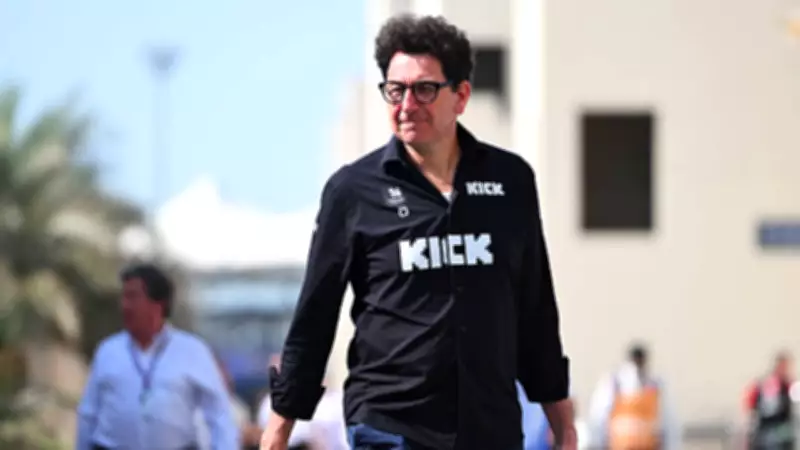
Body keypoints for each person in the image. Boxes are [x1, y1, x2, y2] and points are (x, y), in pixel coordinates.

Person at [260, 14, 575, 450]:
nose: (407, 104)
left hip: (489, 426)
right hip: (390, 424)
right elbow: (315, 314)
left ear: (461, 96)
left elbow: (536, 308)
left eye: (424, 89)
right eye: (396, 90)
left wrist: (563, 422)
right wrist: (278, 432)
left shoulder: (511, 181)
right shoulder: (353, 191)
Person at [75, 263, 239, 450]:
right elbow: (88, 413)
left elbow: (218, 414)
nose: (124, 305)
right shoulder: (108, 351)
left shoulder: (192, 351)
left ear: (158, 304)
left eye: (133, 297)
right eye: (124, 297)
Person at [587, 343, 680, 450]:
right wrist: (598, 443)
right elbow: (599, 416)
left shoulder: (656, 385)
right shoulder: (613, 383)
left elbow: (669, 420)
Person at [743, 351, 796, 450]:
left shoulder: (787, 385)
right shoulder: (770, 384)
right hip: (769, 433)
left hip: (781, 432)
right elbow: (764, 409)